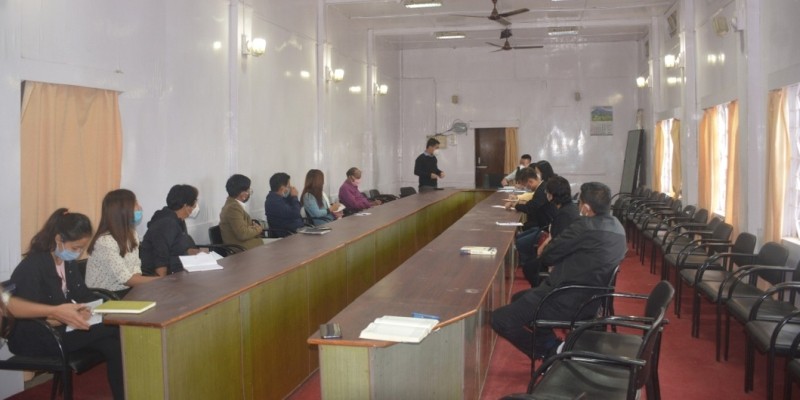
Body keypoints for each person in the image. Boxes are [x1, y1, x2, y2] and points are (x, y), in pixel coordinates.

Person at [491, 182, 627, 359]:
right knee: (519, 298)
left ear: (586, 208)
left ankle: (548, 352)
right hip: (593, 299)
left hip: (566, 298)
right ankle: (551, 345)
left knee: (499, 319)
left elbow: (548, 256)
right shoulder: (618, 228)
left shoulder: (584, 226)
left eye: (580, 203)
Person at [6, 209, 125, 399]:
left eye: (81, 248)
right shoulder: (33, 265)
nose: (78, 253)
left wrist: (91, 308)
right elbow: (23, 311)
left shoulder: (66, 262)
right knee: (113, 328)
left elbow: (83, 295)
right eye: (75, 247)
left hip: (63, 327)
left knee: (112, 345)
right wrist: (62, 315)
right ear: (58, 239)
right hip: (37, 335)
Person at [86, 189, 159, 297]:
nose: (140, 207)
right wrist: (161, 280)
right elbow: (126, 279)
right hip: (107, 296)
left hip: (128, 290)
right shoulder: (105, 242)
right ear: (122, 210)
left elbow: (135, 267)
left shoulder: (132, 234)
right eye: (135, 204)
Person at [520, 176, 580, 287]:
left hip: (562, 260)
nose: (545, 194)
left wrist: (543, 253)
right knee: (530, 264)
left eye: (547, 192)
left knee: (529, 267)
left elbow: (557, 242)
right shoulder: (569, 208)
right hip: (565, 254)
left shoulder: (564, 215)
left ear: (551, 195)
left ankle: (543, 291)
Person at [140, 184, 206, 276]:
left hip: (179, 270)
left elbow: (178, 248)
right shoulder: (166, 223)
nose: (196, 206)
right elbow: (160, 261)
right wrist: (163, 283)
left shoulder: (179, 220)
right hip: (164, 276)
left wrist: (199, 253)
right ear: (186, 206)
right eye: (195, 202)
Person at [219, 174, 264, 249]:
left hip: (251, 245)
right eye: (248, 190)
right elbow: (242, 234)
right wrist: (258, 229)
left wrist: (251, 228)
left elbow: (243, 228)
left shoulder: (232, 204)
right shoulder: (233, 208)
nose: (249, 193)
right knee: (280, 246)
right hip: (244, 249)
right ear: (243, 194)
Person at [265, 172, 305, 237]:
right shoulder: (273, 201)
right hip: (287, 234)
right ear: (282, 188)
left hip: (296, 231)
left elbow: (296, 207)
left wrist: (291, 196)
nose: (290, 187)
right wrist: (294, 197)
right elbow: (295, 213)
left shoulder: (281, 198)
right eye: (288, 186)